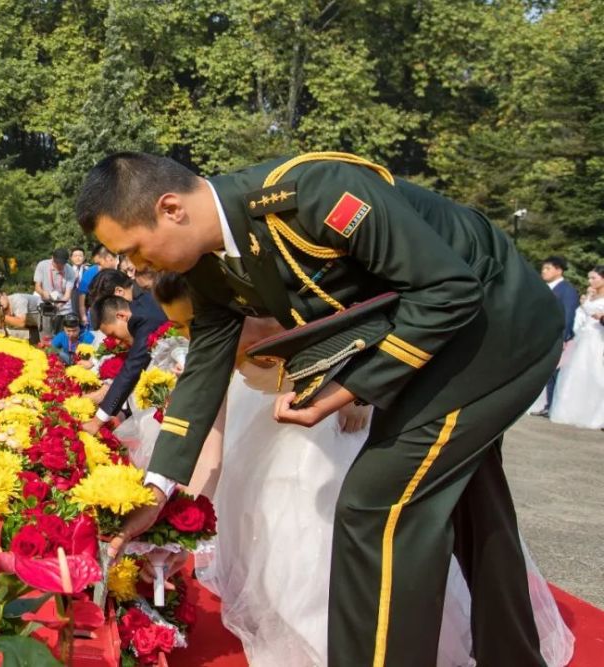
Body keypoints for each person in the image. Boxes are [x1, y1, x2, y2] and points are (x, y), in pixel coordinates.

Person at [77, 151, 564, 667]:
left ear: (171, 208)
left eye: (133, 249)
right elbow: (203, 375)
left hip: (494, 323)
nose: (135, 268)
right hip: (440, 341)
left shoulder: (312, 195)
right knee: (471, 499)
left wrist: (347, 389)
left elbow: (450, 289)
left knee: (375, 505)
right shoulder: (209, 267)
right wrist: (157, 489)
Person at [136, 272, 574, 667]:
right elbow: (210, 448)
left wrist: (362, 392)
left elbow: (399, 324)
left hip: (346, 427)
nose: (197, 335)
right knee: (277, 544)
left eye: (199, 321)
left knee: (346, 537)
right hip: (271, 440)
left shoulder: (303, 302)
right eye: (182, 327)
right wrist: (182, 529)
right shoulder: (216, 351)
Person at [81, 269, 168, 436]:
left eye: (111, 302)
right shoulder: (141, 304)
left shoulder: (144, 316)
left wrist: (97, 421)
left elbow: (132, 368)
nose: (117, 341)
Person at [550, 266, 604, 429]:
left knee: (595, 374)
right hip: (583, 338)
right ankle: (569, 411)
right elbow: (580, 315)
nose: (590, 281)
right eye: (589, 278)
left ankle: (593, 415)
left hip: (598, 339)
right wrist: (587, 298)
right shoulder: (591, 295)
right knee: (575, 373)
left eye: (594, 278)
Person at [532, 256, 581, 417]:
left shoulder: (566, 290)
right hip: (540, 335)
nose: (543, 271)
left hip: (556, 337)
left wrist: (563, 337)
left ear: (559, 270)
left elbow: (568, 314)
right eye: (543, 268)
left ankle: (551, 405)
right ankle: (545, 404)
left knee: (553, 372)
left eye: (548, 268)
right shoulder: (543, 287)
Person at [77, 244, 119, 327]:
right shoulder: (91, 272)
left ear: (109, 258)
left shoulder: (126, 269)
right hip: (98, 315)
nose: (99, 268)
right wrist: (83, 315)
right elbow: (82, 295)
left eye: (99, 264)